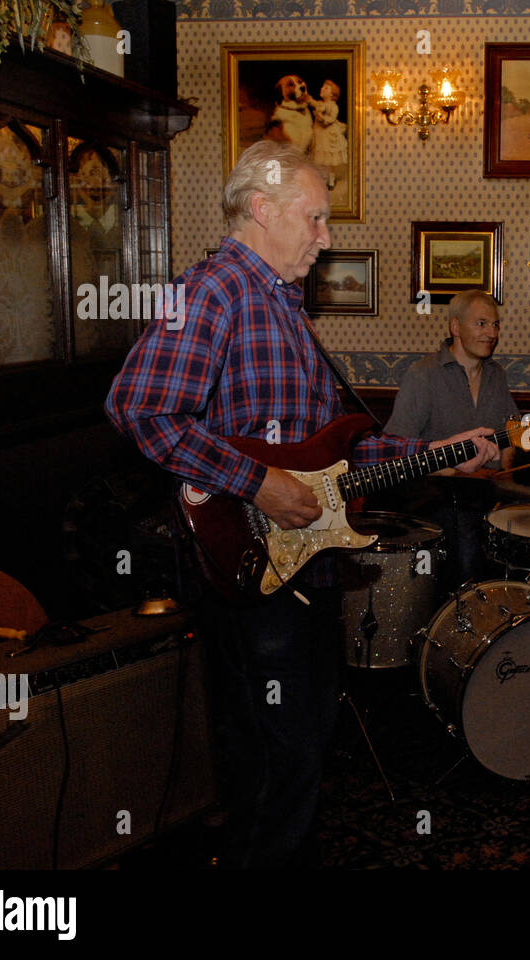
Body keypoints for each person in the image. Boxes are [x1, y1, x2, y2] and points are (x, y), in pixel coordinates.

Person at [105, 141, 496, 868]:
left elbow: (336, 459)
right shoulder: (213, 291)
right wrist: (258, 484)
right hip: (249, 569)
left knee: (297, 757)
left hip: (304, 574)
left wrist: (448, 451)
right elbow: (139, 409)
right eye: (314, 218)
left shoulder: (283, 306)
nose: (326, 236)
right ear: (262, 209)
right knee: (274, 765)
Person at [384, 289, 520, 586]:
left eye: (495, 325)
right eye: (481, 324)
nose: (491, 333)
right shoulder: (423, 375)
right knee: (467, 534)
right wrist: (455, 469)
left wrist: (504, 464)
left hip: (486, 496)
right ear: (455, 327)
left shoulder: (497, 375)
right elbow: (394, 452)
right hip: (433, 498)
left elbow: (512, 435)